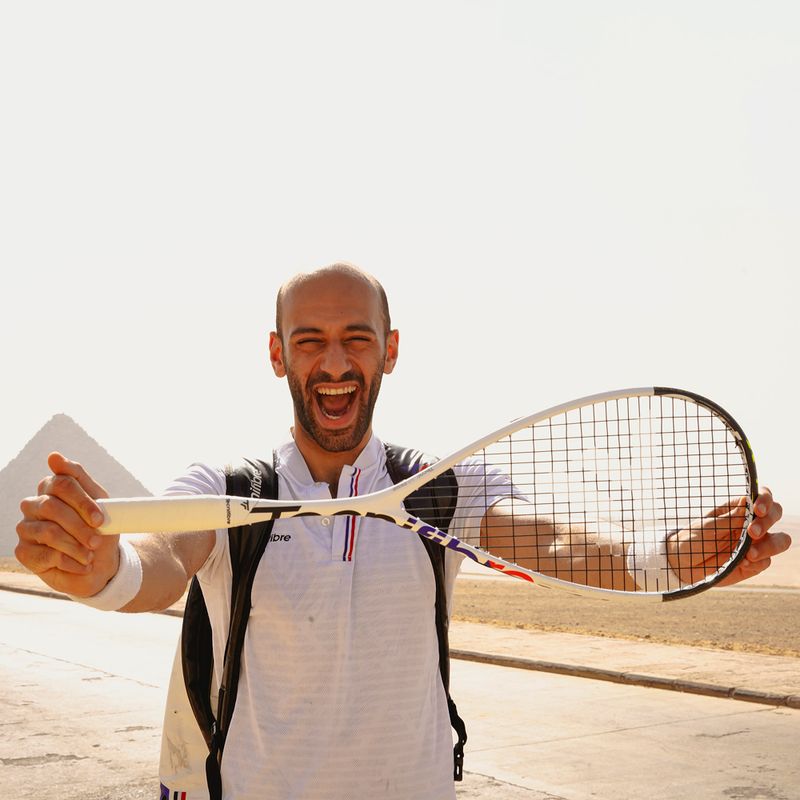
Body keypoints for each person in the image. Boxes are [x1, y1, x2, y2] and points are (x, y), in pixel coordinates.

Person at [15, 263, 791, 800]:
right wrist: (96, 570)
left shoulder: (443, 492)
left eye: (356, 337)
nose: (335, 362)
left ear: (389, 350)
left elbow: (558, 547)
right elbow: (159, 560)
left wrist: (669, 559)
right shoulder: (225, 489)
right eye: (310, 340)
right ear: (278, 353)